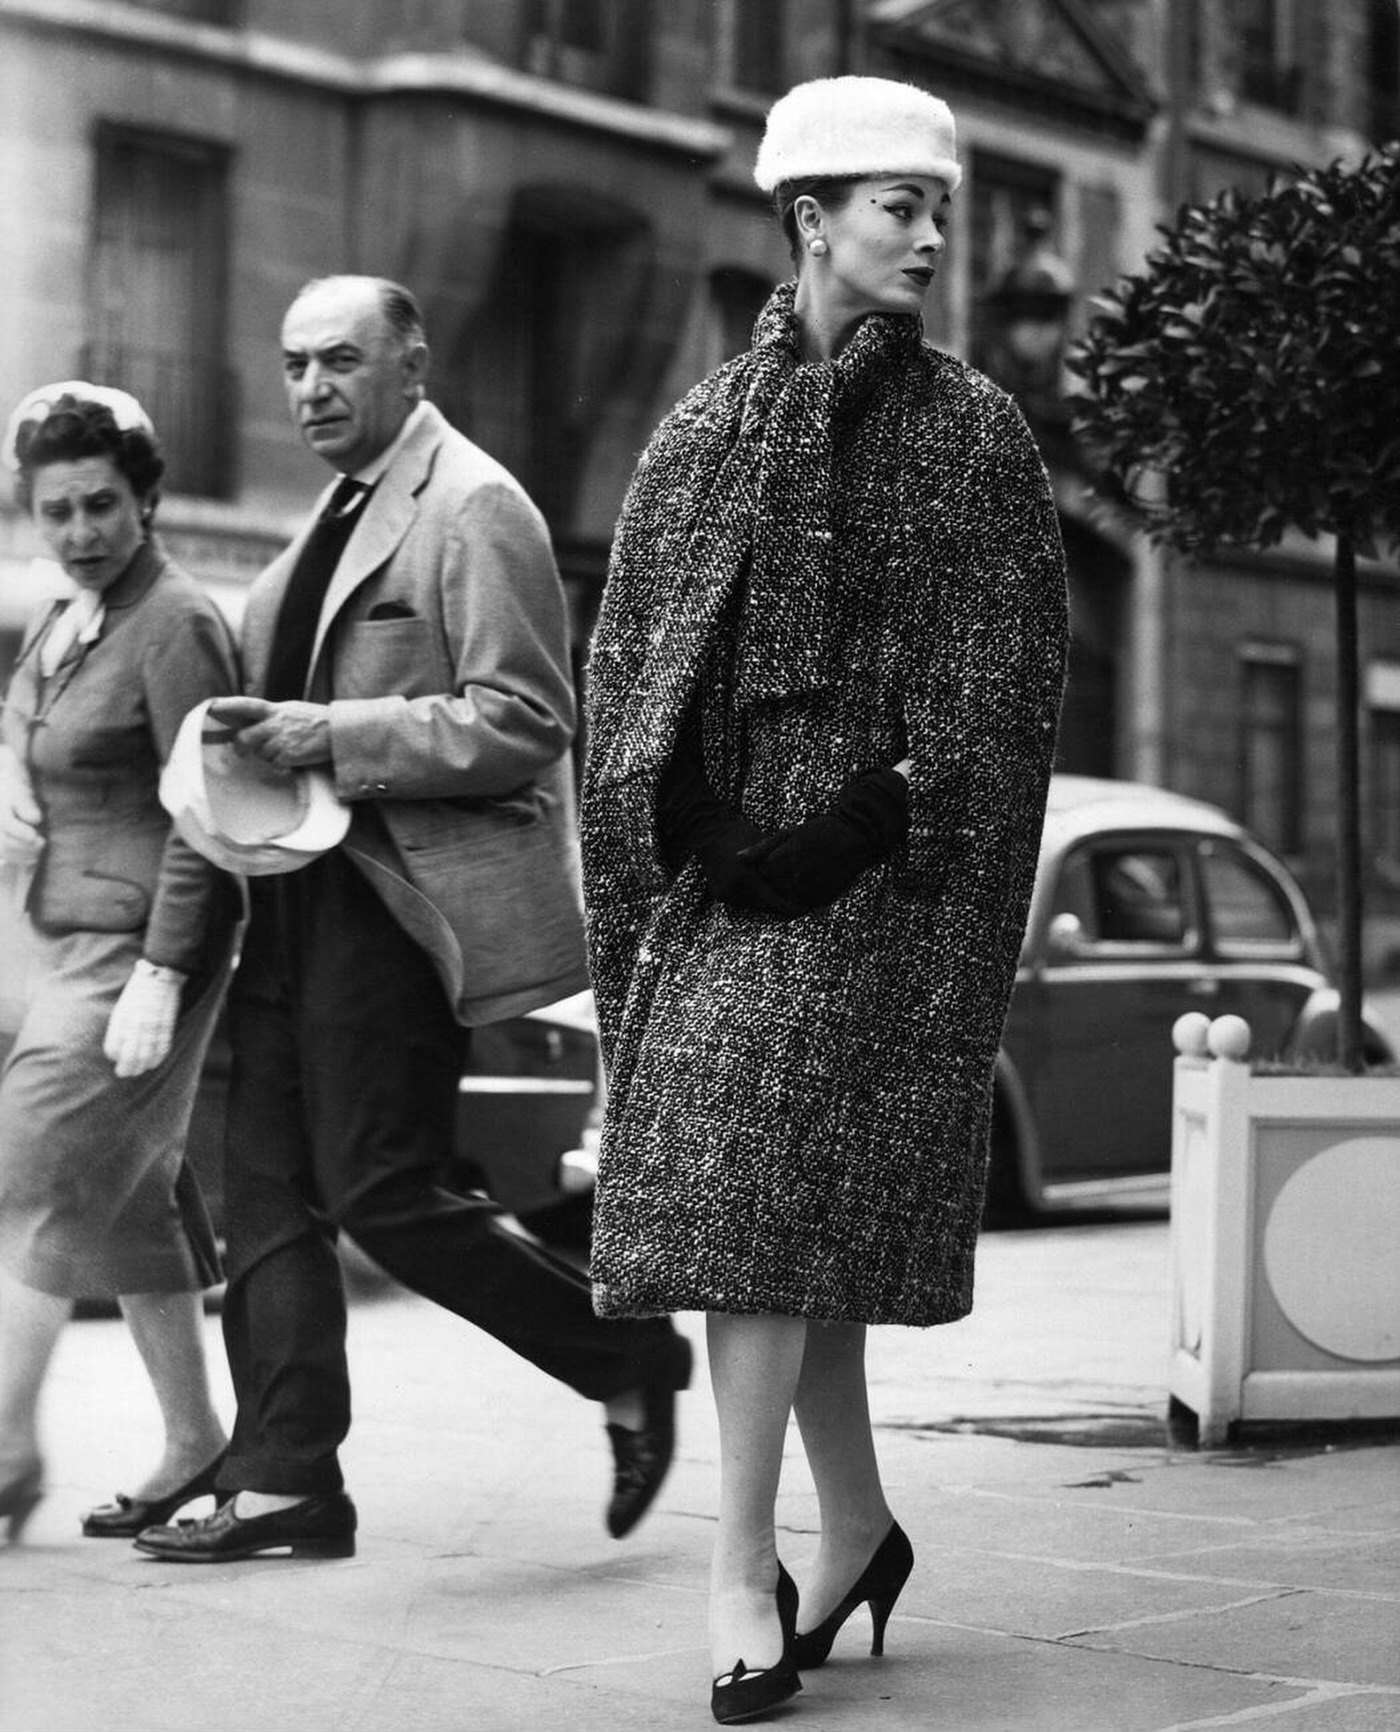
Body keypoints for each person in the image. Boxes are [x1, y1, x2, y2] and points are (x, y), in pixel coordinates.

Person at [580, 78, 1069, 1722]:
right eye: (899, 208)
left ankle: (742, 1563)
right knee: (782, 1217)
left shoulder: (973, 434)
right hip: (738, 879)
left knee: (780, 1206)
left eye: (939, 211)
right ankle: (853, 1529)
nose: (933, 237)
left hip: (888, 881)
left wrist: (855, 828)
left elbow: (995, 694)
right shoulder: (706, 426)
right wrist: (715, 831)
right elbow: (645, 660)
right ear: (808, 217)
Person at [135, 275, 690, 1566]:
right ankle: (285, 1485)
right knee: (265, 1193)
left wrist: (331, 733)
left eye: (340, 361)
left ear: (411, 367)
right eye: (293, 365)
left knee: (383, 1193)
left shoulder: (475, 505)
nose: (312, 388)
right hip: (282, 900)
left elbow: (528, 722)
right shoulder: (318, 521)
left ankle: (627, 1355)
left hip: (397, 909)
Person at [0, 384, 240, 1543]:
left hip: (139, 949)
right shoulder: (67, 616)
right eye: (58, 511)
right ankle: (196, 1439)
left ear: (145, 498)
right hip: (59, 940)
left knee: (23, 1176)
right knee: (129, 1204)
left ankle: (2, 1449)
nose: (82, 529)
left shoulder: (175, 620)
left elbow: (209, 811)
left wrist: (163, 969)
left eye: (102, 504)